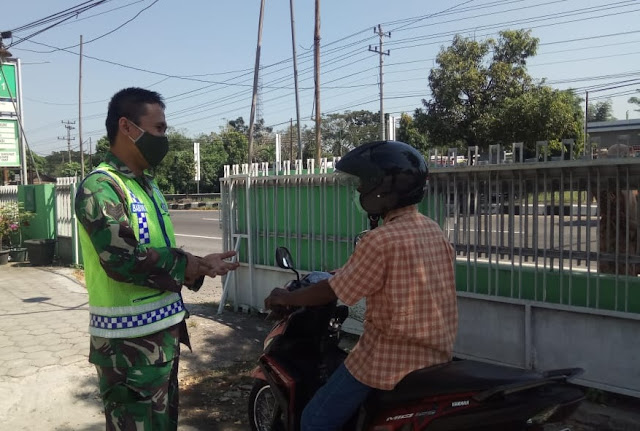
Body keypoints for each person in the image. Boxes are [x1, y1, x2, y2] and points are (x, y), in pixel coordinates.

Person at [75, 87, 239, 431]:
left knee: (163, 423)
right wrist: (193, 264)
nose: (165, 138)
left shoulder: (146, 185)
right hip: (127, 347)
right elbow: (124, 259)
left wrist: (201, 266)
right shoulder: (101, 187)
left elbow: (160, 251)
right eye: (159, 128)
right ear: (127, 127)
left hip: (161, 337)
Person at [264, 140, 458, 431]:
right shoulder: (433, 230)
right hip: (435, 354)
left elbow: (333, 291)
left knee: (314, 420)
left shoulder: (379, 240)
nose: (358, 190)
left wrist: (287, 298)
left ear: (383, 189)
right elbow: (371, 274)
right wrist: (337, 272)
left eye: (363, 182)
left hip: (386, 360)